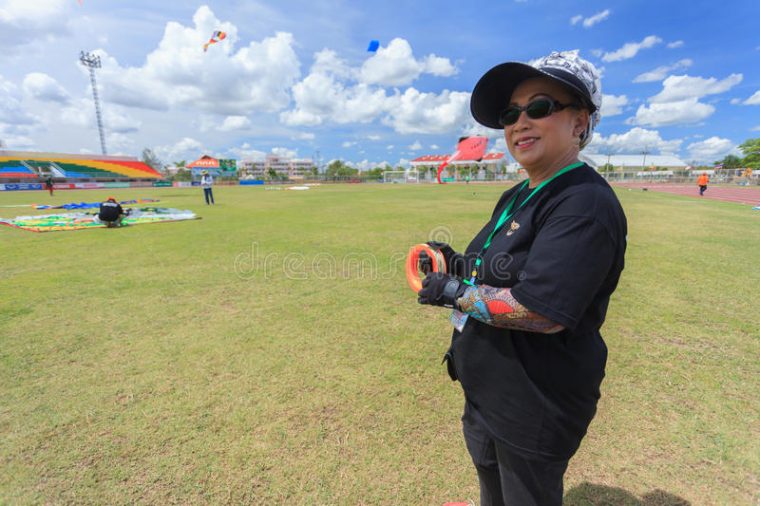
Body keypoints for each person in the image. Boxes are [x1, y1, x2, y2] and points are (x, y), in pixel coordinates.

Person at [416, 50, 627, 506]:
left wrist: (454, 292)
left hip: (535, 404)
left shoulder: (584, 203)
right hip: (489, 390)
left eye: (539, 106)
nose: (518, 122)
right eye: (511, 113)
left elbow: (540, 309)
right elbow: (498, 269)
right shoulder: (521, 191)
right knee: (491, 488)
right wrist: (454, 266)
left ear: (580, 123)